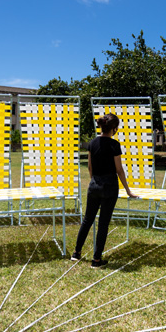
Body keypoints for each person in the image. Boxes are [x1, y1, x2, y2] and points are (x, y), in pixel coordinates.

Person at [71, 113, 136, 268]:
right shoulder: (114, 145)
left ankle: (76, 253)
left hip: (94, 185)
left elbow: (90, 166)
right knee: (103, 223)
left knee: (87, 220)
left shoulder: (92, 143)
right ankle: (97, 260)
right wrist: (127, 190)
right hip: (110, 186)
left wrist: (94, 180)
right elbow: (119, 170)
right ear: (114, 128)